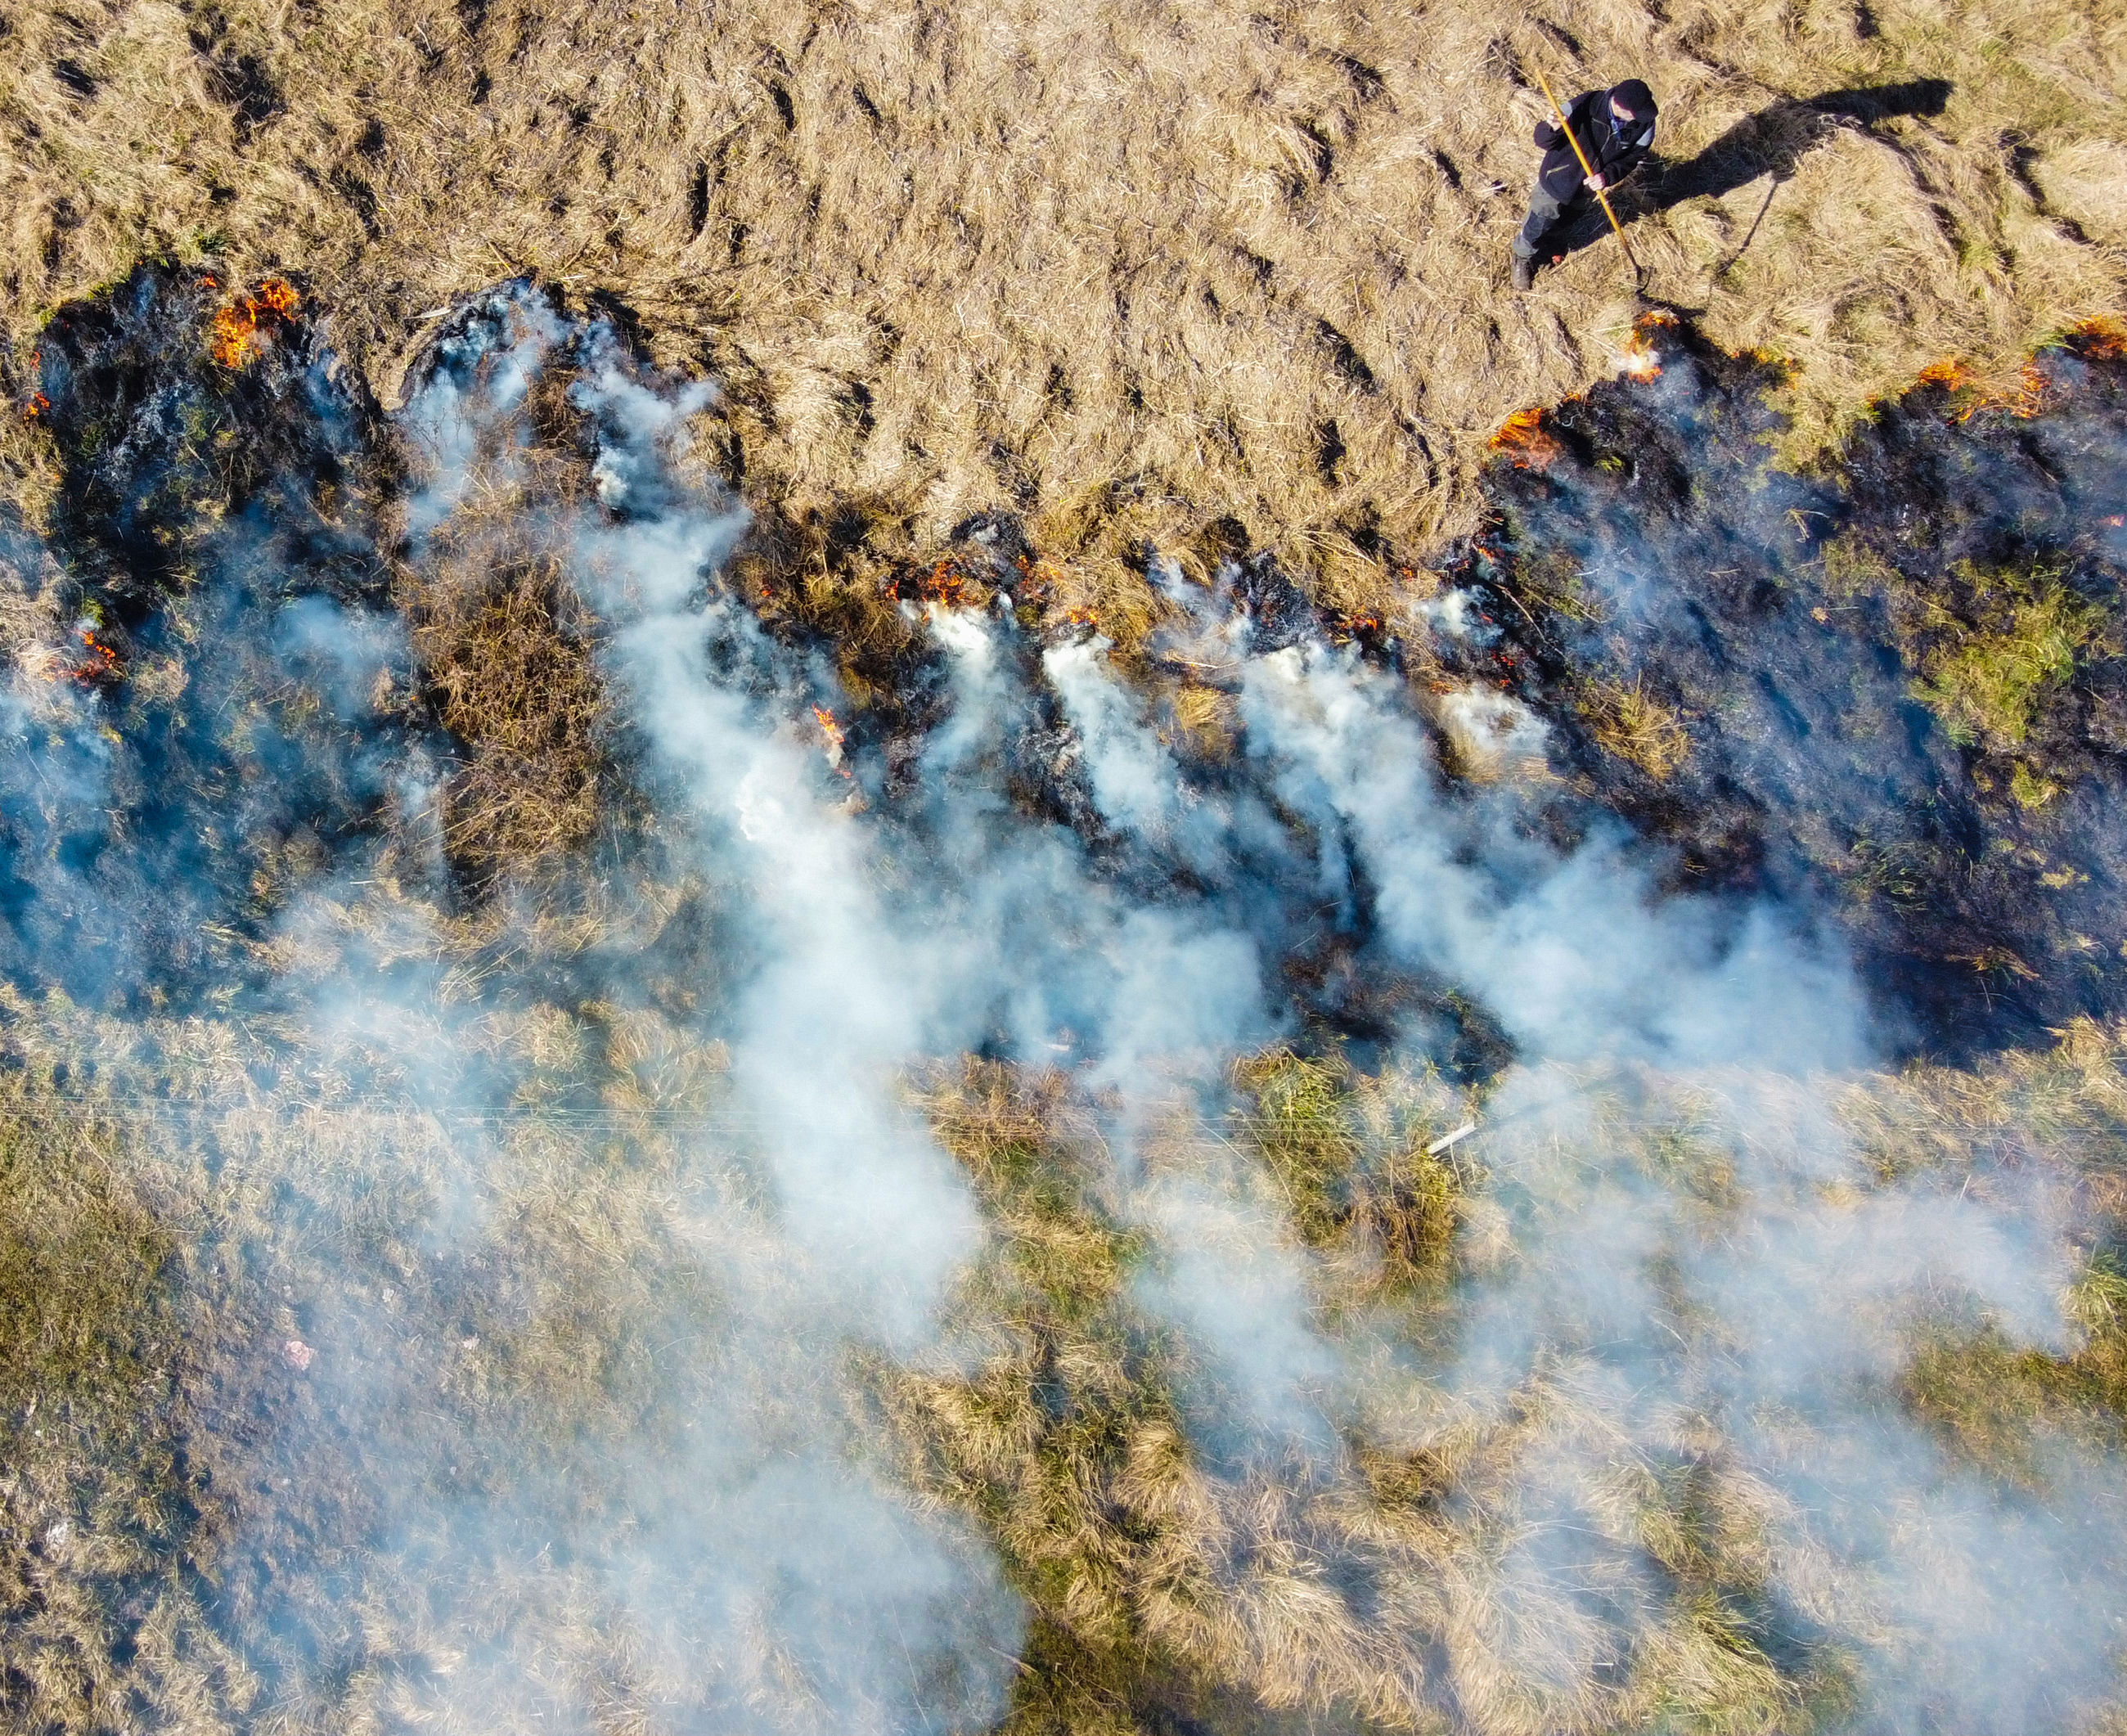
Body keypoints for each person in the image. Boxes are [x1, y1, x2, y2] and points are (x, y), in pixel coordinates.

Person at [1511, 79, 1658, 290]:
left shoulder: (1645, 124)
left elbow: (1632, 159)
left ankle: (1549, 245)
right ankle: (1523, 256)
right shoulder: (1586, 104)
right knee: (1540, 220)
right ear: (1618, 105)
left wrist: (1606, 177)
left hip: (1588, 187)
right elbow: (1542, 140)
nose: (1640, 119)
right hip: (1557, 178)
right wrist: (1552, 128)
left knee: (1568, 218)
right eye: (1635, 114)